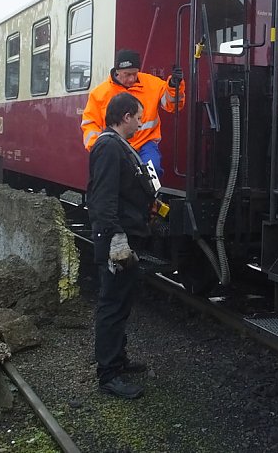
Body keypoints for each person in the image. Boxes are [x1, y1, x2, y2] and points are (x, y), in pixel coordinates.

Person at [87, 92, 157, 399]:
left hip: (126, 236)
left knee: (121, 302)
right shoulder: (108, 147)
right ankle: (108, 375)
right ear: (125, 117)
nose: (141, 124)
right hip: (117, 239)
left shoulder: (118, 145)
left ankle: (118, 359)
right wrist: (116, 238)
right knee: (112, 305)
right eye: (138, 118)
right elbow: (102, 199)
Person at [81, 49, 184, 177]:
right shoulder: (99, 94)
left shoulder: (153, 84)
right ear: (117, 71)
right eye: (127, 74)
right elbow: (90, 124)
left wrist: (174, 86)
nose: (131, 79)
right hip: (115, 145)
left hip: (145, 143)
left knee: (153, 172)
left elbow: (173, 106)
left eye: (135, 74)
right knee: (116, 177)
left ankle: (151, 191)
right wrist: (98, 147)